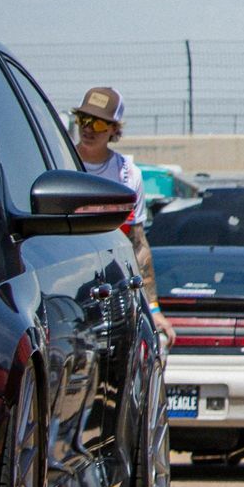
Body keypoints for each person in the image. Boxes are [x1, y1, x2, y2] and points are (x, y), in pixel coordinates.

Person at [70, 86, 166, 341]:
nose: (89, 128)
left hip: (106, 284)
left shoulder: (126, 174)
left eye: (100, 124)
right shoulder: (63, 161)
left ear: (114, 129)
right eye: (84, 119)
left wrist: (153, 307)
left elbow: (137, 244)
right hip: (65, 276)